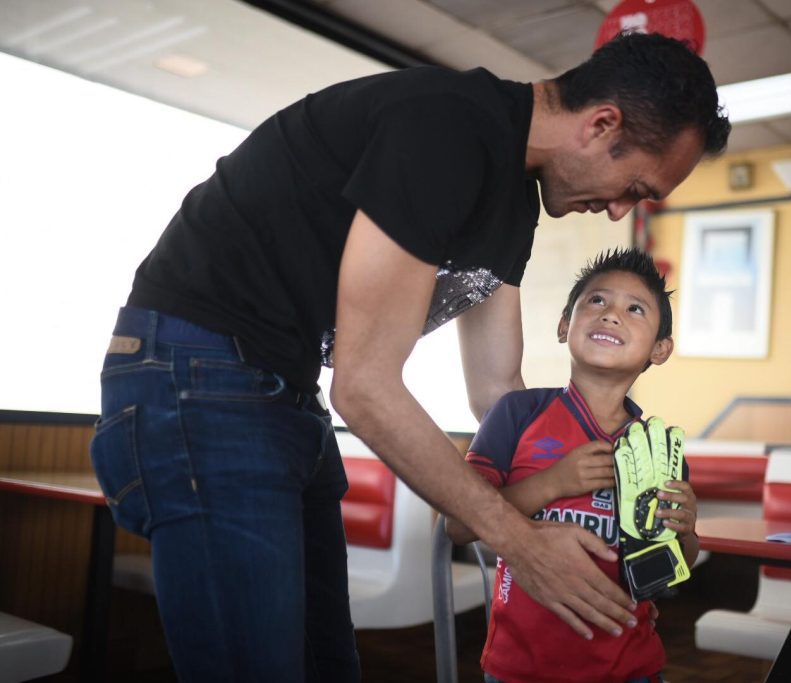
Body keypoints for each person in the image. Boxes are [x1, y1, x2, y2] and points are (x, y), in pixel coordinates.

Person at [89, 32, 729, 681]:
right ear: (600, 125)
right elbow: (365, 387)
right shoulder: (448, 129)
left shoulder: (515, 198)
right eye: (634, 187)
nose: (620, 209)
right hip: (196, 370)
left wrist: (578, 468)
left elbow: (498, 388)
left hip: (280, 389)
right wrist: (521, 539)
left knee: (327, 663)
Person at [446, 247, 699, 683]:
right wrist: (553, 483)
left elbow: (676, 567)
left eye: (635, 309)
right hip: (521, 664)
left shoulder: (660, 447)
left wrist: (686, 531)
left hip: (629, 666)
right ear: (565, 325)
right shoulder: (516, 413)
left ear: (660, 349)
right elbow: (459, 525)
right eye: (596, 301)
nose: (611, 315)